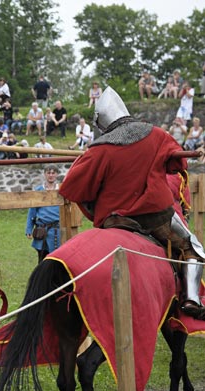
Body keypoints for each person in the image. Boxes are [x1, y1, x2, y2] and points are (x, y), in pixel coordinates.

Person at [59, 86, 205, 320]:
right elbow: (177, 164)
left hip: (116, 219)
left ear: (102, 122)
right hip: (157, 216)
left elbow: (72, 188)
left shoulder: (99, 150)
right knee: (193, 246)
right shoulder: (157, 135)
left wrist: (83, 161)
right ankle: (191, 299)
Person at [26, 165, 62, 263]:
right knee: (42, 259)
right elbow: (32, 211)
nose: (51, 175)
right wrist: (29, 229)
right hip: (42, 229)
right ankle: (41, 278)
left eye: (53, 173)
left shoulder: (62, 190)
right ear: (45, 174)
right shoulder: (38, 190)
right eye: (48, 173)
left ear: (57, 174)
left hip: (57, 230)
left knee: (57, 259)